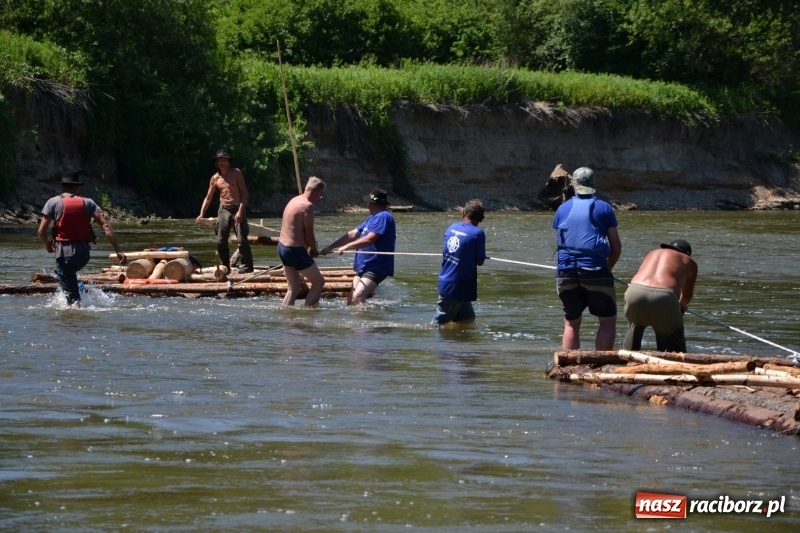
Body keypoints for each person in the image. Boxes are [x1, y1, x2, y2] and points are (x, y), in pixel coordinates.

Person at [552, 167, 622, 350]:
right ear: (593, 184)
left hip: (565, 271)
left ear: (574, 185)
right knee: (607, 321)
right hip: (595, 269)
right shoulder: (604, 208)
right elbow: (616, 248)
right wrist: (607, 269)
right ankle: (601, 364)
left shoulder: (562, 208)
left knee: (571, 323)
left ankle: (569, 363)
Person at [37, 171, 127, 308]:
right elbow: (106, 225)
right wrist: (118, 250)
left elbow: (41, 231)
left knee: (73, 300)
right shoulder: (88, 202)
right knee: (66, 276)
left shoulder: (53, 202)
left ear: (62, 186)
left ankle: (76, 315)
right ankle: (80, 290)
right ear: (77, 187)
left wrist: (48, 244)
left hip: (64, 255)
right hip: (84, 255)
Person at [321, 188, 397, 305]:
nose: (368, 206)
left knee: (358, 297)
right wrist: (331, 246)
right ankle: (363, 317)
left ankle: (371, 317)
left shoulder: (383, 216)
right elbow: (353, 234)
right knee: (351, 300)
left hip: (376, 266)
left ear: (373, 203)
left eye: (368, 203)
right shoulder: (371, 218)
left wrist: (346, 246)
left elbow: (370, 239)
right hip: (364, 266)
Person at [622, 239, 698, 352]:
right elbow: (687, 295)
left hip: (635, 291)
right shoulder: (689, 261)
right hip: (665, 297)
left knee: (634, 329)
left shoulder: (652, 253)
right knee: (674, 351)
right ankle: (671, 361)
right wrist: (681, 307)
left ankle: (625, 357)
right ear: (687, 254)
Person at [195, 149, 254, 274]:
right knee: (221, 240)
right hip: (223, 209)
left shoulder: (236, 173)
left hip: (237, 207)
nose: (222, 162)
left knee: (241, 239)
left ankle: (247, 266)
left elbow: (244, 193)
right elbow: (208, 198)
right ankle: (225, 266)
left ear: (229, 162)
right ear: (216, 163)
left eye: (225, 160)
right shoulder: (215, 178)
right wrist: (201, 214)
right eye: (220, 160)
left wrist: (240, 211)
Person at [431, 199, 487, 325]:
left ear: (463, 213)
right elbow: (480, 261)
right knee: (436, 325)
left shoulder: (452, 227)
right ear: (481, 219)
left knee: (467, 320)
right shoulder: (478, 234)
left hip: (449, 281)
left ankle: (455, 337)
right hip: (458, 286)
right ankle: (425, 335)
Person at [278, 176, 326, 306]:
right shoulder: (307, 206)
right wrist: (314, 249)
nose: (319, 199)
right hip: (295, 250)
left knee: (293, 288)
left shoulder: (294, 200)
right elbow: (309, 234)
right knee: (319, 282)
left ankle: (286, 314)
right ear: (317, 192)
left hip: (282, 247)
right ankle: (308, 314)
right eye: (320, 196)